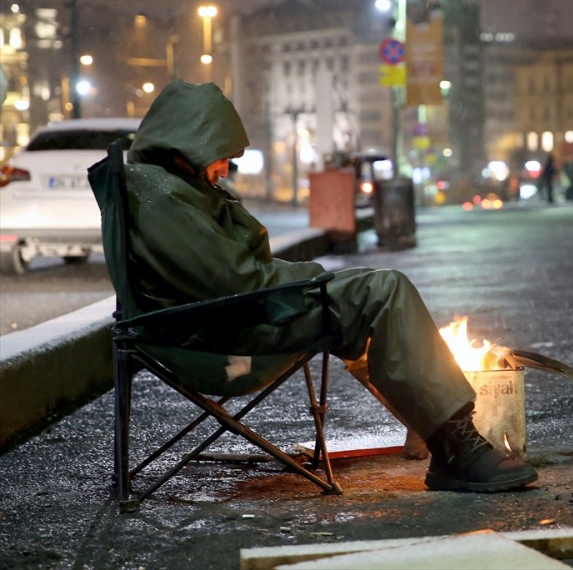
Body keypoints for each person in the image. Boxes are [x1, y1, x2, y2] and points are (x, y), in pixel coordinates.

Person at [122, 80, 537, 493]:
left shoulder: (163, 189)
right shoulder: (163, 199)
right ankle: (455, 448)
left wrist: (311, 277)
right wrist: (312, 277)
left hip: (223, 320)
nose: (225, 170)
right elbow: (238, 282)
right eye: (221, 157)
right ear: (191, 143)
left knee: (374, 289)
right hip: (224, 334)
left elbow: (229, 273)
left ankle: (444, 436)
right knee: (385, 292)